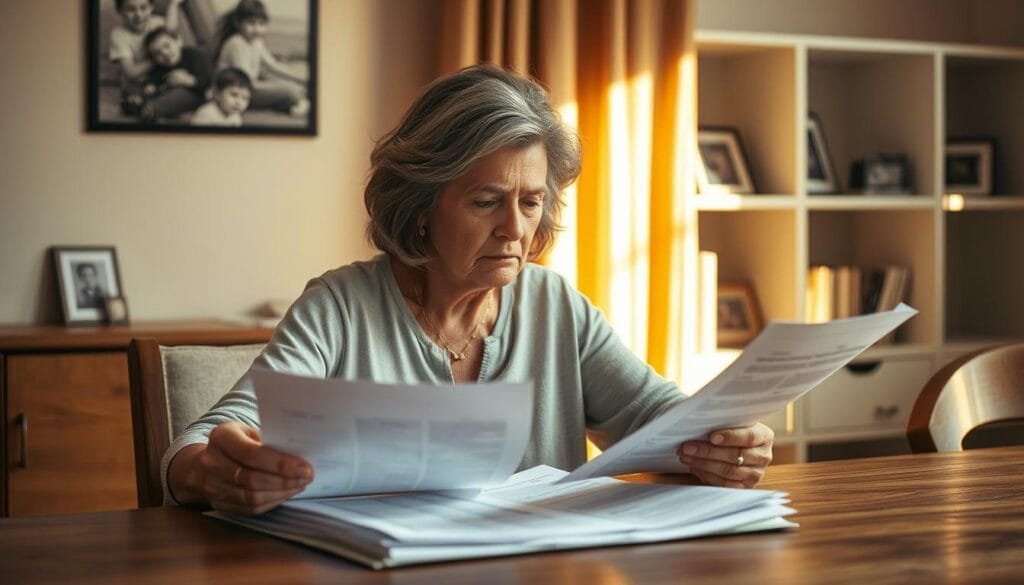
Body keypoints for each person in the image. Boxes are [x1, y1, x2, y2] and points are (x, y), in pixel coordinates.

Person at [164, 65, 775, 516]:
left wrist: (724, 442)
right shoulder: (339, 307)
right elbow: (205, 441)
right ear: (422, 205)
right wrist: (213, 470)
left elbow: (661, 419)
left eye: (531, 202)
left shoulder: (556, 307)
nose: (515, 228)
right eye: (486, 202)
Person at [214, 0, 310, 117]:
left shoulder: (256, 42)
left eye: (261, 24)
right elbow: (246, 82)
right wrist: (281, 86)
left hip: (249, 88)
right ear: (237, 22)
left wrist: (300, 79)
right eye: (251, 23)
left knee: (295, 87)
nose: (257, 29)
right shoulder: (236, 44)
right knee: (289, 91)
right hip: (236, 93)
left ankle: (295, 105)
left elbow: (273, 66)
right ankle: (296, 106)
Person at [108, 0, 183, 116]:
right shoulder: (118, 35)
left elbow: (170, 32)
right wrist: (159, 57)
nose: (138, 14)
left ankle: (159, 105)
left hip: (160, 79)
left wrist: (174, 4)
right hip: (137, 83)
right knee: (133, 95)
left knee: (178, 84)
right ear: (120, 11)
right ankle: (144, 105)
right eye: (131, 9)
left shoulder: (157, 23)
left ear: (151, 7)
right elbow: (131, 72)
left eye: (143, 8)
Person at [135, 27, 211, 123]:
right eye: (157, 53)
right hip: (167, 94)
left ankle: (151, 109)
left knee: (179, 95)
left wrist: (189, 81)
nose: (165, 53)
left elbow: (208, 81)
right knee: (138, 88)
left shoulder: (194, 55)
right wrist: (150, 86)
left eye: (167, 46)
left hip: (195, 94)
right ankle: (137, 102)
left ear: (178, 41)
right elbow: (154, 78)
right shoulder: (160, 66)